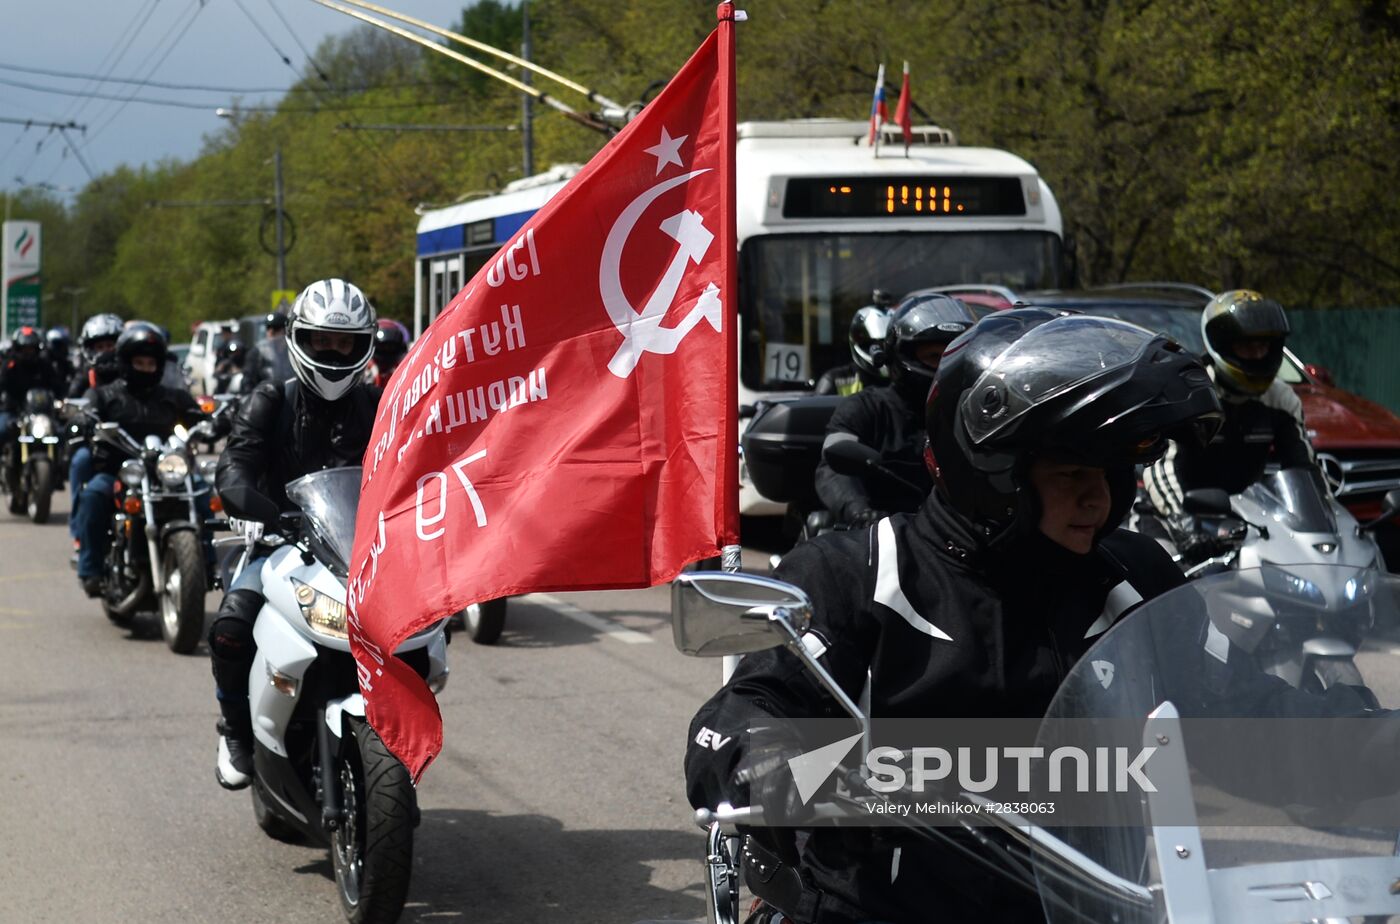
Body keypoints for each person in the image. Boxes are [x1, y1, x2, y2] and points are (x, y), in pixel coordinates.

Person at [685, 309, 1226, 923]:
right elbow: (733, 726)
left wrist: (1339, 724)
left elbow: (1230, 700)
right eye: (1072, 472)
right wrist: (809, 775)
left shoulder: (1131, 577)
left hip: (1093, 908)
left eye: (1110, 473)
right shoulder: (860, 574)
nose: (1098, 497)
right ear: (994, 471)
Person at [209, 278, 380, 790]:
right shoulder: (271, 400)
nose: (332, 352)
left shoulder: (380, 405)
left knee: (433, 628)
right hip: (279, 544)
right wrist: (248, 501)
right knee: (230, 628)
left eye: (343, 342)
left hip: (363, 550)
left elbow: (415, 466)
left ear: (362, 344)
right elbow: (236, 460)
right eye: (320, 341)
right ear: (297, 340)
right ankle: (236, 730)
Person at [1141, 290, 1318, 561]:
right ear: (1223, 345)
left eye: (1264, 346)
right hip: (1174, 516)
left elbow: (1304, 468)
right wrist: (1184, 523)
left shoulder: (1281, 399)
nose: (1258, 355)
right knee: (1162, 576)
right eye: (1247, 346)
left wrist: (1326, 523)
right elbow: (1160, 468)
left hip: (1247, 522)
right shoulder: (1190, 393)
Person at [813, 293, 975, 527]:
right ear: (902, 355)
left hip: (955, 536)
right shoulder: (865, 409)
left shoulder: (973, 414)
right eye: (933, 357)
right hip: (878, 539)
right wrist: (860, 513)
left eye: (953, 356)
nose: (944, 367)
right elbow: (833, 470)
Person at [71, 323, 205, 597]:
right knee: (94, 494)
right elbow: (84, 411)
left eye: (150, 363)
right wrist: (82, 420)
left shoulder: (173, 397)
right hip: (120, 471)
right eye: (139, 362)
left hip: (165, 473)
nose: (145, 368)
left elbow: (198, 416)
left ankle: (207, 564)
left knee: (202, 491)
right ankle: (91, 569)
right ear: (126, 363)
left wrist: (217, 421)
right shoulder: (104, 395)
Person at [0, 326, 62, 512]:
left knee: (62, 434)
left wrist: (62, 400)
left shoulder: (44, 365)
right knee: (2, 430)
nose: (28, 353)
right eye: (25, 349)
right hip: (13, 411)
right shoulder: (9, 366)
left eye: (31, 349)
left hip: (40, 414)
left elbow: (58, 386)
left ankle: (59, 472)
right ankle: (6, 466)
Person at [813, 305, 889, 397]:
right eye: (876, 343)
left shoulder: (905, 379)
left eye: (888, 343)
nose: (883, 350)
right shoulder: (834, 381)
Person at [68, 313, 124, 398]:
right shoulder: (86, 377)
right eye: (100, 347)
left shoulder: (129, 374)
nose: (105, 351)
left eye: (110, 346)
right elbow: (72, 398)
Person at [239, 309, 293, 394]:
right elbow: (247, 381)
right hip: (266, 400)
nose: (271, 331)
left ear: (286, 330)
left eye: (276, 328)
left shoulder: (294, 351)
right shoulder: (257, 352)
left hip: (291, 398)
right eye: (268, 328)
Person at [364, 318, 410, 388]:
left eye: (391, 347)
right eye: (383, 346)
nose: (387, 350)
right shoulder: (366, 370)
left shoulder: (403, 370)